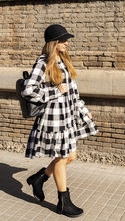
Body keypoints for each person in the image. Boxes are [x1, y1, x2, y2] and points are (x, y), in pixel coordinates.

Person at [21, 24, 98, 218]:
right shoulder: (43, 62)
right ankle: (64, 202)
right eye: (63, 40)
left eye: (66, 39)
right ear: (53, 42)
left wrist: (84, 111)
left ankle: (39, 178)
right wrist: (54, 91)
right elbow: (28, 90)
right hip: (53, 121)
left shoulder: (64, 61)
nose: (66, 42)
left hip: (67, 118)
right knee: (63, 158)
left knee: (70, 156)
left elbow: (73, 93)